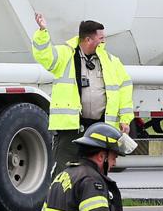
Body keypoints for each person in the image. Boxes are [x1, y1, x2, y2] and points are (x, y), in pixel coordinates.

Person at [31, 13, 136, 172]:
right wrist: (42, 31)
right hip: (71, 130)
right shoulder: (65, 55)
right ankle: (58, 197)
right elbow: (44, 56)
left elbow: (125, 88)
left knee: (96, 171)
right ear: (88, 40)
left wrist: (126, 119)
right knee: (65, 172)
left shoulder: (110, 61)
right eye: (101, 38)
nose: (104, 41)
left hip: (100, 128)